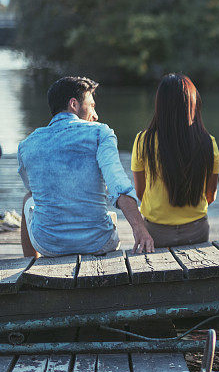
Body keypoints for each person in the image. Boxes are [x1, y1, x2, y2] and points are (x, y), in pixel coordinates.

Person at [18, 77, 155, 257]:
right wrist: (140, 229)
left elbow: (33, 189)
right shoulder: (101, 132)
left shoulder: (27, 144)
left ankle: (30, 264)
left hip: (49, 246)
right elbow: (119, 186)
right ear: (74, 105)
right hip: (99, 242)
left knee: (29, 197)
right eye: (92, 105)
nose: (95, 115)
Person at [132, 74, 219, 248]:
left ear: (160, 105)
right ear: (193, 103)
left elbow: (140, 192)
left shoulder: (144, 141)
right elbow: (210, 195)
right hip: (197, 231)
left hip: (155, 233)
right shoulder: (208, 142)